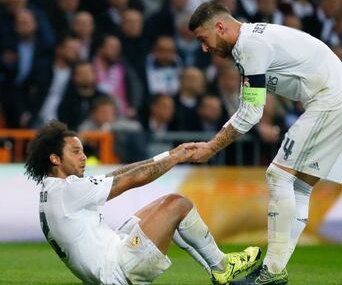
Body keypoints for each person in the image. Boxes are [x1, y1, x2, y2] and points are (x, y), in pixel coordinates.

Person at [188, 1, 342, 284]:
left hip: (332, 102)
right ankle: (272, 270)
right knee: (301, 187)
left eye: (203, 39)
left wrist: (211, 147)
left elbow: (250, 113)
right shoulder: (251, 41)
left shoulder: (249, 46)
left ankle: (271, 271)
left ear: (220, 27)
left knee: (278, 174)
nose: (204, 48)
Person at [24, 120, 261, 285]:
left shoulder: (55, 189)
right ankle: (222, 266)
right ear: (55, 158)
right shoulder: (69, 190)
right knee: (176, 204)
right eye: (75, 151)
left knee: (161, 208)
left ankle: (218, 270)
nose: (84, 156)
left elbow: (116, 176)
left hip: (111, 262)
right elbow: (133, 179)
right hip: (119, 271)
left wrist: (168, 154)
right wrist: (177, 157)